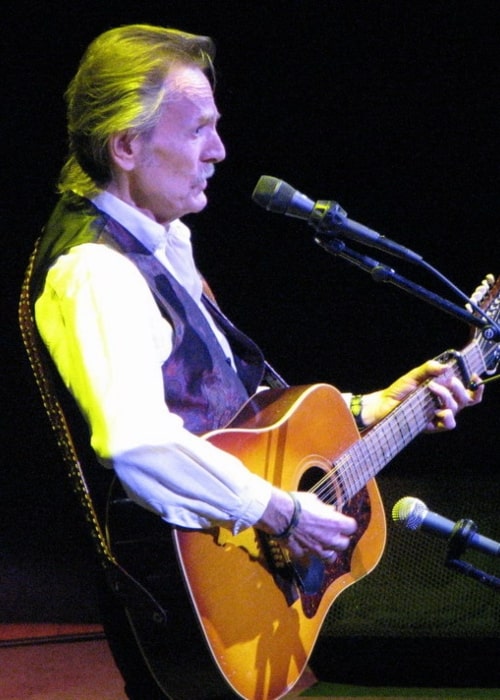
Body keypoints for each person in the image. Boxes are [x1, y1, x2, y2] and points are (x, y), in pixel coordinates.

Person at [26, 24, 483, 700]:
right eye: (197, 131)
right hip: (197, 598)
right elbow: (139, 441)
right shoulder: (97, 270)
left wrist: (373, 409)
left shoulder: (159, 238)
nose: (219, 151)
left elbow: (226, 405)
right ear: (125, 145)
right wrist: (281, 513)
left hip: (244, 585)